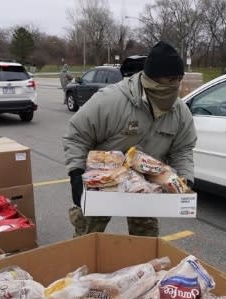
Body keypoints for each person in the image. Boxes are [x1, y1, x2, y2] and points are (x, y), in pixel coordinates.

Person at [63, 41, 196, 237]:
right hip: (103, 180)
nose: (173, 85)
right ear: (151, 79)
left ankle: (143, 266)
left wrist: (184, 179)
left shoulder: (179, 112)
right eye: (168, 80)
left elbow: (182, 149)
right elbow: (77, 134)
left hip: (144, 187)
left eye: (177, 79)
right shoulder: (111, 100)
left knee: (146, 241)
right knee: (87, 238)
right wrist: (75, 172)